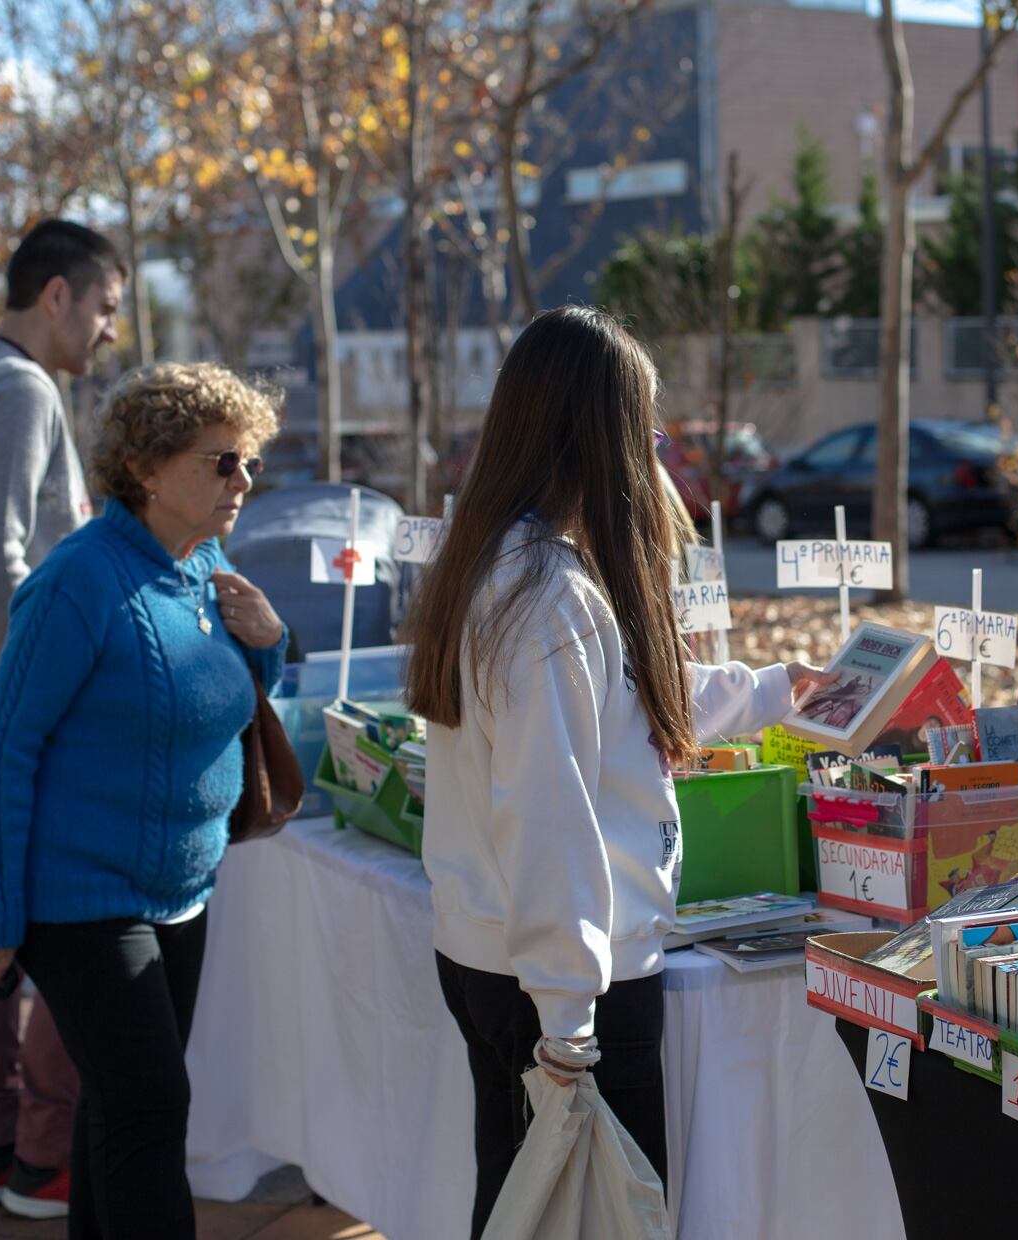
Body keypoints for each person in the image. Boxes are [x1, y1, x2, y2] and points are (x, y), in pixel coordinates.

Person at [404, 306, 830, 1238]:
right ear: (596, 432)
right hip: (560, 988)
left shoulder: (511, 568)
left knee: (528, 1207)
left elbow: (620, 714)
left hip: (519, 968)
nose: (657, 447)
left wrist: (768, 691)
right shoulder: (542, 594)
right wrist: (568, 1024)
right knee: (579, 1211)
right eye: (644, 423)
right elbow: (547, 810)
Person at [0, 362, 285, 1240]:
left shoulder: (203, 565)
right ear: (144, 469)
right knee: (148, 1111)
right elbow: (1, 752)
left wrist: (269, 646)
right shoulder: (77, 582)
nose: (243, 481)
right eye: (221, 462)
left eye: (248, 461)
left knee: (119, 1110)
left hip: (182, 890)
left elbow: (218, 706)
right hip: (83, 897)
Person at [0, 219, 124, 1218]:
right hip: (10, 691)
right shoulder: (21, 389)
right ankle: (41, 1148)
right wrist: (58, 667)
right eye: (106, 308)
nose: (108, 333)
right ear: (58, 296)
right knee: (65, 919)